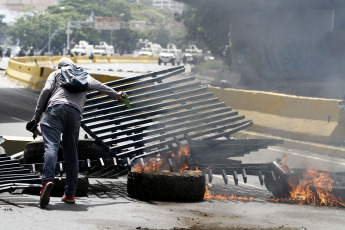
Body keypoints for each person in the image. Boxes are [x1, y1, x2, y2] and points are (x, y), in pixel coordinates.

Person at [32, 57, 125, 208]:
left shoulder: (57, 73)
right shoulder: (84, 75)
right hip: (75, 115)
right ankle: (70, 194)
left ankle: (47, 181)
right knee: (71, 154)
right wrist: (117, 95)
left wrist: (36, 117)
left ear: (60, 66)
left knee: (51, 148)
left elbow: (46, 91)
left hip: (56, 110)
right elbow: (102, 87)